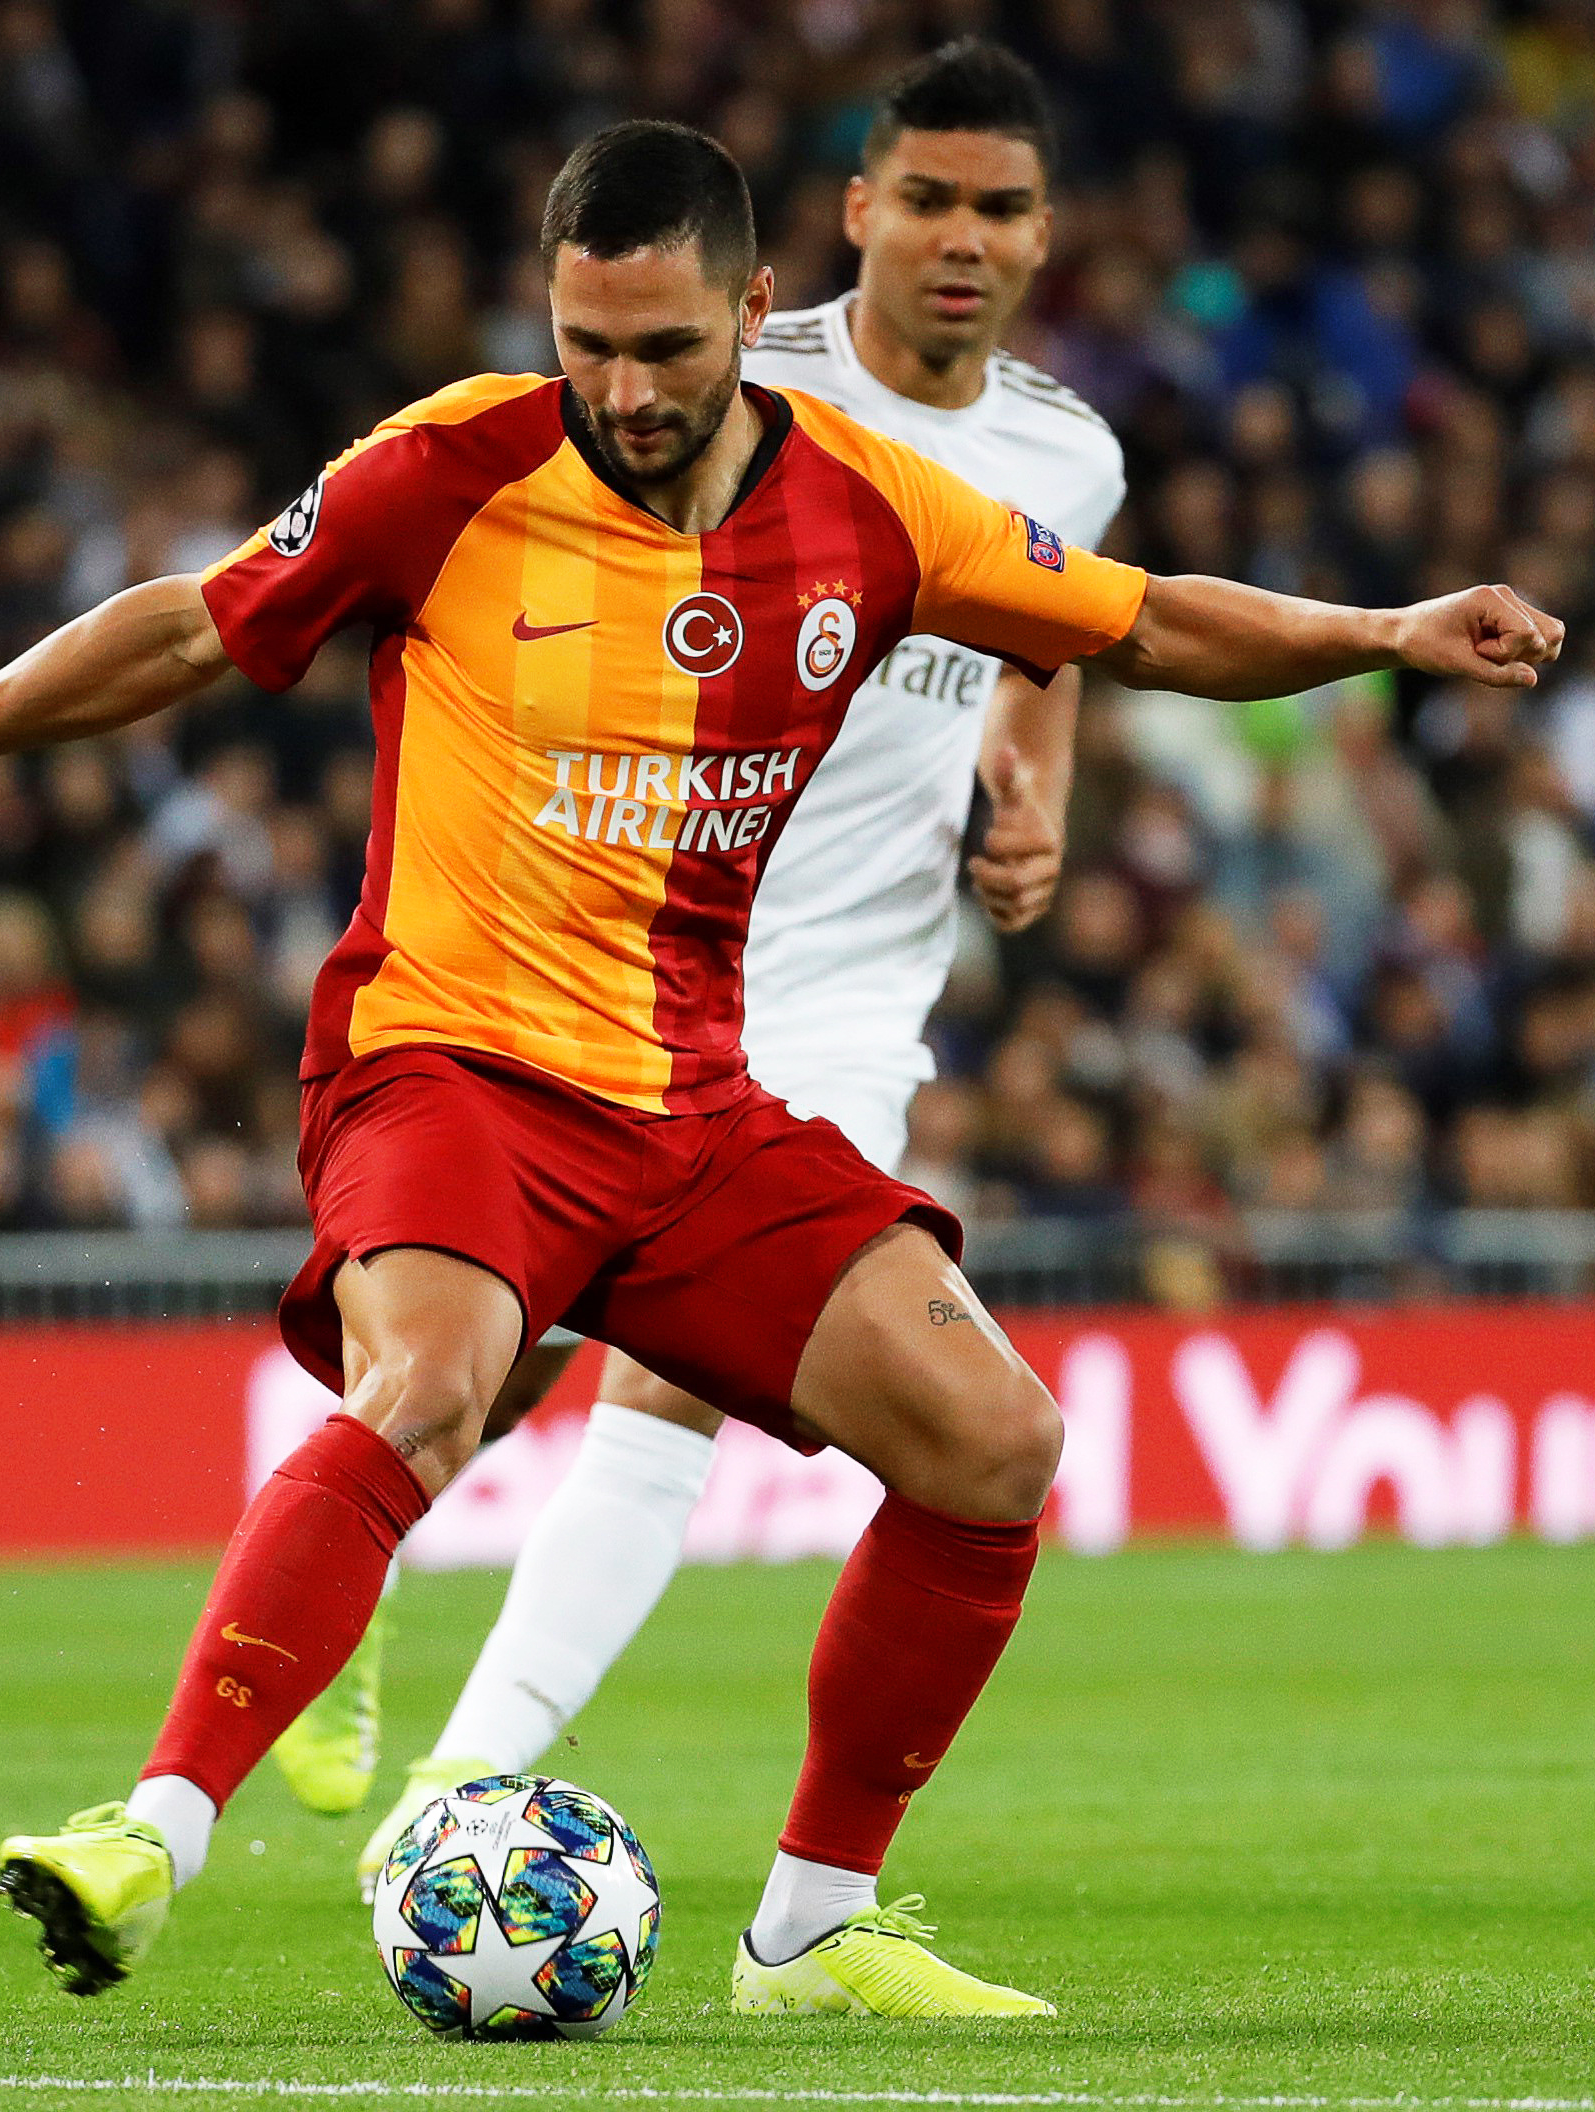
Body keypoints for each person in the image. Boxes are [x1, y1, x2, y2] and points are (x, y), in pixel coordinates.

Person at [0, 122, 1558, 2016]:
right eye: (585, 343)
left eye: (666, 348)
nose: (621, 391)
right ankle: (152, 1830)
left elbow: (1144, 617)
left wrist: (1389, 632)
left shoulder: (873, 508)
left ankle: (811, 1929)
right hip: (447, 1067)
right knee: (435, 1386)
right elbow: (189, 627)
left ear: (755, 311)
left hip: (689, 1106)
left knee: (995, 1446)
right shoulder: (449, 467)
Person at [313, 37, 1133, 1884]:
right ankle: (361, 1574)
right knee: (493, 1356)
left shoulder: (1069, 453)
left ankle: (453, 1795)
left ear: (1044, 233)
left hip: (845, 991)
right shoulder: (723, 381)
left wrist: (1036, 790)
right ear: (855, 213)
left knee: (670, 1383)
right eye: (926, 199)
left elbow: (1053, 634)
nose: (961, 238)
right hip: (617, 947)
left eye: (1000, 208)